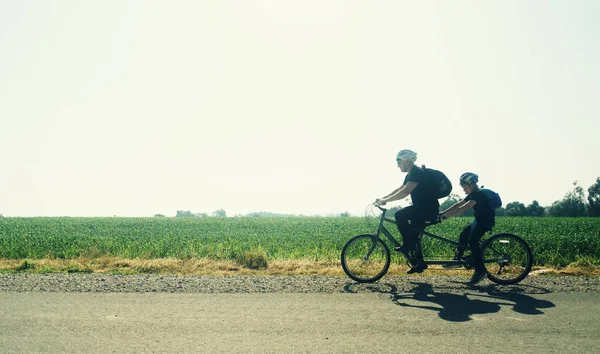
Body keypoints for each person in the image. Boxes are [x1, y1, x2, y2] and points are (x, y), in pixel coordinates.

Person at [375, 149, 440, 274]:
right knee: (413, 234)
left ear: (406, 161)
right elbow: (400, 189)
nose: (397, 165)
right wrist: (383, 198)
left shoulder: (417, 172)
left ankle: (408, 245)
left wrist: (386, 201)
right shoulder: (411, 174)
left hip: (427, 210)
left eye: (398, 162)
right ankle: (418, 263)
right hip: (421, 209)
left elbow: (405, 192)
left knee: (399, 215)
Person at [440, 172, 495, 285]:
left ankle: (480, 272)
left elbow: (462, 209)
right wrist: (443, 212)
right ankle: (458, 259)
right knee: (464, 234)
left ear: (472, 184)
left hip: (485, 222)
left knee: (473, 241)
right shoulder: (472, 194)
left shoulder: (478, 195)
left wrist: (446, 217)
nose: (464, 190)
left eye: (465, 187)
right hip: (478, 221)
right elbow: (458, 205)